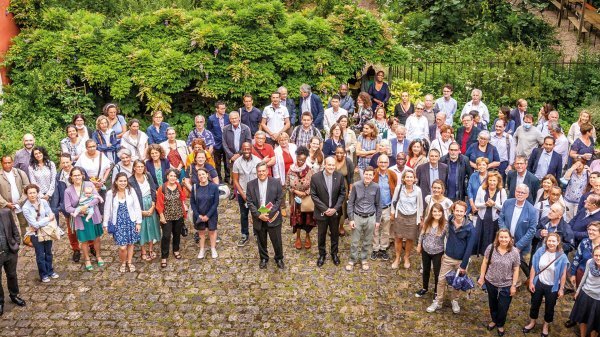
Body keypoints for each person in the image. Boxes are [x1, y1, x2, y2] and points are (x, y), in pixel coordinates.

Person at [426, 201, 475, 314]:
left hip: (461, 260)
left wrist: (463, 265)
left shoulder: (470, 227)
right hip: (448, 257)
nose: (458, 213)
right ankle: (438, 301)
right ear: (453, 210)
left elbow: (469, 248)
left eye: (461, 211)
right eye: (457, 210)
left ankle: (454, 300)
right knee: (441, 280)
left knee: (457, 282)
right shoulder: (449, 220)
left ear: (465, 212)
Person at [477, 229, 520, 336]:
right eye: (501, 237)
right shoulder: (491, 248)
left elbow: (516, 269)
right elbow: (485, 263)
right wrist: (482, 277)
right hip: (491, 282)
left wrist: (513, 285)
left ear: (510, 239)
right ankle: (494, 320)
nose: (503, 239)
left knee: (503, 307)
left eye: (506, 237)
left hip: (506, 285)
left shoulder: (514, 252)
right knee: (492, 303)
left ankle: (500, 324)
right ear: (498, 237)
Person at [64, 167, 104, 271]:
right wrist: (79, 210)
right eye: (74, 175)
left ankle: (98, 255)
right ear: (71, 177)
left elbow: (96, 198)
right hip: (80, 219)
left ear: (82, 175)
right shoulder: (68, 191)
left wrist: (86, 206)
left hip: (93, 216)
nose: (77, 177)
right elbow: (67, 208)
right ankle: (86, 259)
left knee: (96, 238)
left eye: (78, 175)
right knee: (84, 240)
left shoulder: (89, 184)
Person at [51, 153, 89, 262]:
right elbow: (58, 192)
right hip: (69, 208)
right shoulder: (59, 176)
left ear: (71, 161)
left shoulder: (79, 170)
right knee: (72, 230)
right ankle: (76, 249)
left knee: (87, 226)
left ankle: (90, 245)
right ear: (60, 164)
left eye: (67, 162)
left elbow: (88, 185)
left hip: (83, 204)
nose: (66, 164)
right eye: (63, 162)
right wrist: (60, 207)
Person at [247, 162, 285, 270]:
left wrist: (269, 213)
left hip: (273, 217)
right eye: (259, 171)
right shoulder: (250, 184)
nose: (261, 173)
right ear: (256, 172)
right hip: (258, 218)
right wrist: (259, 215)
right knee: (261, 240)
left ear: (267, 171)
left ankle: (279, 258)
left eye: (263, 171)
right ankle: (263, 258)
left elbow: (279, 199)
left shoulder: (276, 182)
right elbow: (249, 202)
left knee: (277, 240)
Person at [103, 173, 142, 273]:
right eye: (120, 181)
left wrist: (138, 222)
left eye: (125, 181)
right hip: (118, 223)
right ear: (116, 181)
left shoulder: (131, 191)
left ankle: (129, 262)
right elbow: (107, 209)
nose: (123, 183)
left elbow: (137, 206)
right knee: (122, 247)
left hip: (131, 221)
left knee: (130, 243)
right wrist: (105, 224)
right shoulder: (110, 193)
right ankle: (123, 262)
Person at [311, 157, 346, 267]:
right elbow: (314, 195)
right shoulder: (316, 177)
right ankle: (322, 254)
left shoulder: (339, 177)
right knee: (321, 234)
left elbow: (342, 193)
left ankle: (334, 254)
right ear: (324, 165)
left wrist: (335, 208)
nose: (331, 167)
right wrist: (325, 209)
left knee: (335, 234)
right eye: (329, 165)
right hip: (322, 212)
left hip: (335, 212)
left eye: (333, 165)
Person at [346, 166, 381, 271]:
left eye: (370, 174)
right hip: (357, 216)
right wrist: (351, 219)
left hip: (371, 217)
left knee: (367, 240)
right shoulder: (356, 186)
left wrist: (377, 220)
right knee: (355, 241)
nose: (368, 176)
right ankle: (352, 260)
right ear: (363, 174)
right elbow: (350, 203)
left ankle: (364, 259)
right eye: (366, 174)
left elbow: (378, 204)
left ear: (373, 176)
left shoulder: (376, 187)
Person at [499, 184, 538, 276]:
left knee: (518, 266)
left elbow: (532, 230)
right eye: (518, 191)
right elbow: (501, 218)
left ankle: (519, 283)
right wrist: (505, 235)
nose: (520, 194)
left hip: (521, 244)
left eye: (523, 192)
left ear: (527, 195)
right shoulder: (507, 203)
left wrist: (519, 246)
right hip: (505, 240)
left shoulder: (532, 210)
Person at [22, 184, 58, 282]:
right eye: (30, 193)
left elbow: (51, 213)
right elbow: (34, 225)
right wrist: (47, 219)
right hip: (35, 234)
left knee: (48, 252)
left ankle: (50, 271)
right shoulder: (25, 208)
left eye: (34, 192)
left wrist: (45, 220)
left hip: (47, 231)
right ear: (27, 194)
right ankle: (43, 274)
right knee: (40, 255)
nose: (32, 195)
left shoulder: (43, 202)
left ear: (37, 193)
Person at [128, 160, 160, 262]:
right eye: (138, 167)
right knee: (142, 229)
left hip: (150, 203)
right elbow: (130, 198)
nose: (140, 168)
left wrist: (153, 205)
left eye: (142, 166)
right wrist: (140, 212)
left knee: (151, 227)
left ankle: (150, 249)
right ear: (134, 168)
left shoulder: (148, 175)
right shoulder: (131, 180)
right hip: (139, 206)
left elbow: (153, 190)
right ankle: (143, 251)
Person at [391, 170, 423, 269]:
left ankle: (406, 257)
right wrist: (392, 213)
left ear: (414, 179)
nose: (409, 179)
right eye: (407, 177)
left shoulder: (418, 190)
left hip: (412, 217)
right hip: (400, 216)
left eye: (411, 177)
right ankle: (397, 258)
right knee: (398, 238)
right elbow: (394, 201)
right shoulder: (399, 188)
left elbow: (420, 205)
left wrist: (420, 217)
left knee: (410, 239)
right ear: (404, 178)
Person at [156, 168, 187, 268]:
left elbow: (182, 198)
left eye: (175, 176)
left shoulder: (178, 186)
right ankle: (164, 256)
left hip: (178, 215)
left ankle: (176, 250)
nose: (173, 178)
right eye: (171, 176)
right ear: (167, 176)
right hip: (167, 216)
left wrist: (184, 207)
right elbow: (159, 204)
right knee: (166, 236)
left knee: (177, 234)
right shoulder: (162, 188)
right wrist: (161, 216)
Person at [232, 142, 262, 247]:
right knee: (244, 214)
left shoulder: (258, 161)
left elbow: (262, 177)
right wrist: (243, 194)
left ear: (251, 149)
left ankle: (257, 233)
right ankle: (244, 234)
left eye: (248, 148)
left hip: (256, 194)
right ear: (242, 149)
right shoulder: (237, 162)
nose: (246, 151)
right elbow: (235, 180)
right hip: (242, 192)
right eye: (244, 149)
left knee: (256, 214)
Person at [286, 146, 316, 250]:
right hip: (295, 200)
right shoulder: (291, 170)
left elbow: (314, 186)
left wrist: (305, 193)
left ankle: (307, 236)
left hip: (307, 199)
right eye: (299, 159)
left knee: (307, 219)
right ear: (296, 157)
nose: (300, 162)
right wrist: (295, 191)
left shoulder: (310, 170)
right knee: (297, 220)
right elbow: (287, 185)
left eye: (303, 160)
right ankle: (298, 237)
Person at [415, 203, 447, 299]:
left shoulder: (445, 225)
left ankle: (437, 292)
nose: (437, 213)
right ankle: (425, 288)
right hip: (426, 250)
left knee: (437, 273)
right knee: (426, 270)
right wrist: (419, 245)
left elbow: (449, 238)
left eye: (439, 211)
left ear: (442, 212)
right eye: (434, 211)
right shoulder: (428, 221)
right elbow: (422, 234)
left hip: (438, 252)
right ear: (431, 213)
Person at [473, 171, 507, 256]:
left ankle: (492, 255)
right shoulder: (481, 189)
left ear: (498, 181)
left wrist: (494, 204)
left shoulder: (502, 191)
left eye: (494, 180)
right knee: (481, 238)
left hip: (495, 220)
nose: (492, 182)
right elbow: (476, 203)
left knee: (492, 238)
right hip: (482, 219)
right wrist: (485, 204)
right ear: (487, 180)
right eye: (490, 180)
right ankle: (483, 255)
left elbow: (505, 207)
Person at [569, 244, 600, 336]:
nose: (598, 258)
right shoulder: (589, 262)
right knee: (582, 319)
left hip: (598, 299)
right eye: (596, 255)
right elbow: (584, 277)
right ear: (592, 255)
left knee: (595, 324)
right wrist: (578, 291)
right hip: (585, 294)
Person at [0, 208, 26, 316]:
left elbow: (14, 228)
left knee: (12, 275)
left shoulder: (6, 213)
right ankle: (0, 302)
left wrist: (16, 244)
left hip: (10, 251)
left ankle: (14, 295)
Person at [371, 155, 397, 261]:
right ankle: (375, 248)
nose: (383, 164)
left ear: (388, 163)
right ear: (377, 163)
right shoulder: (373, 174)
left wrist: (393, 209)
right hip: (375, 207)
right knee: (375, 229)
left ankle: (383, 248)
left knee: (386, 229)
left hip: (387, 206)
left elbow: (394, 191)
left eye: (385, 162)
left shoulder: (392, 175)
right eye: (381, 162)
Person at [190, 168, 220, 259]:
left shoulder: (214, 187)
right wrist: (197, 214)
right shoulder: (195, 187)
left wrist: (208, 215)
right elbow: (192, 202)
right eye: (199, 175)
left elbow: (216, 203)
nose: (201, 176)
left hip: (211, 214)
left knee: (212, 231)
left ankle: (213, 248)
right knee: (201, 232)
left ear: (207, 175)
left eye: (203, 174)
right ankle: (202, 249)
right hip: (199, 214)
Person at [207, 101, 230, 182]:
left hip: (227, 142)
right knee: (217, 162)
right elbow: (210, 131)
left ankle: (227, 178)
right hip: (216, 143)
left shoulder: (228, 117)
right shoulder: (211, 118)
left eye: (224, 108)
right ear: (217, 109)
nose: (224, 110)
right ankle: (218, 178)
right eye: (222, 108)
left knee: (227, 161)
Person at [333, 145, 354, 236]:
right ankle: (333, 226)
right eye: (337, 152)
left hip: (343, 187)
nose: (339, 154)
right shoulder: (331, 160)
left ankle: (341, 226)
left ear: (344, 153)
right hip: (332, 186)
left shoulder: (348, 162)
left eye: (341, 152)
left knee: (342, 206)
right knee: (332, 205)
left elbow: (351, 178)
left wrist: (350, 191)